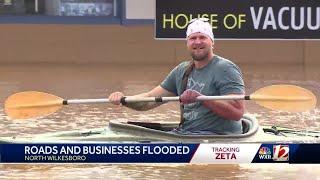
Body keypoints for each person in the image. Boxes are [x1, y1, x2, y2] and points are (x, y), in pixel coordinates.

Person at [108, 18, 245, 135]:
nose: (197, 42)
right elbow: (150, 99)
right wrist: (123, 99)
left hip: (217, 139)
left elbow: (237, 112)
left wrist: (202, 99)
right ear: (187, 43)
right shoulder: (182, 70)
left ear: (212, 42)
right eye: (192, 38)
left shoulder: (226, 69)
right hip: (185, 134)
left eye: (202, 37)